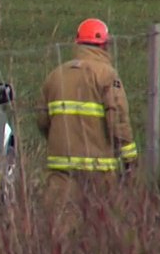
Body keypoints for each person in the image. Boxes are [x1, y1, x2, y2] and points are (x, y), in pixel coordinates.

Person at [38, 19, 138, 216]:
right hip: (98, 171)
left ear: (77, 43)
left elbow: (42, 121)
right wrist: (129, 160)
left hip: (61, 172)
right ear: (104, 45)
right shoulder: (107, 75)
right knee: (99, 229)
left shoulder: (55, 75)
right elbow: (117, 121)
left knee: (59, 230)